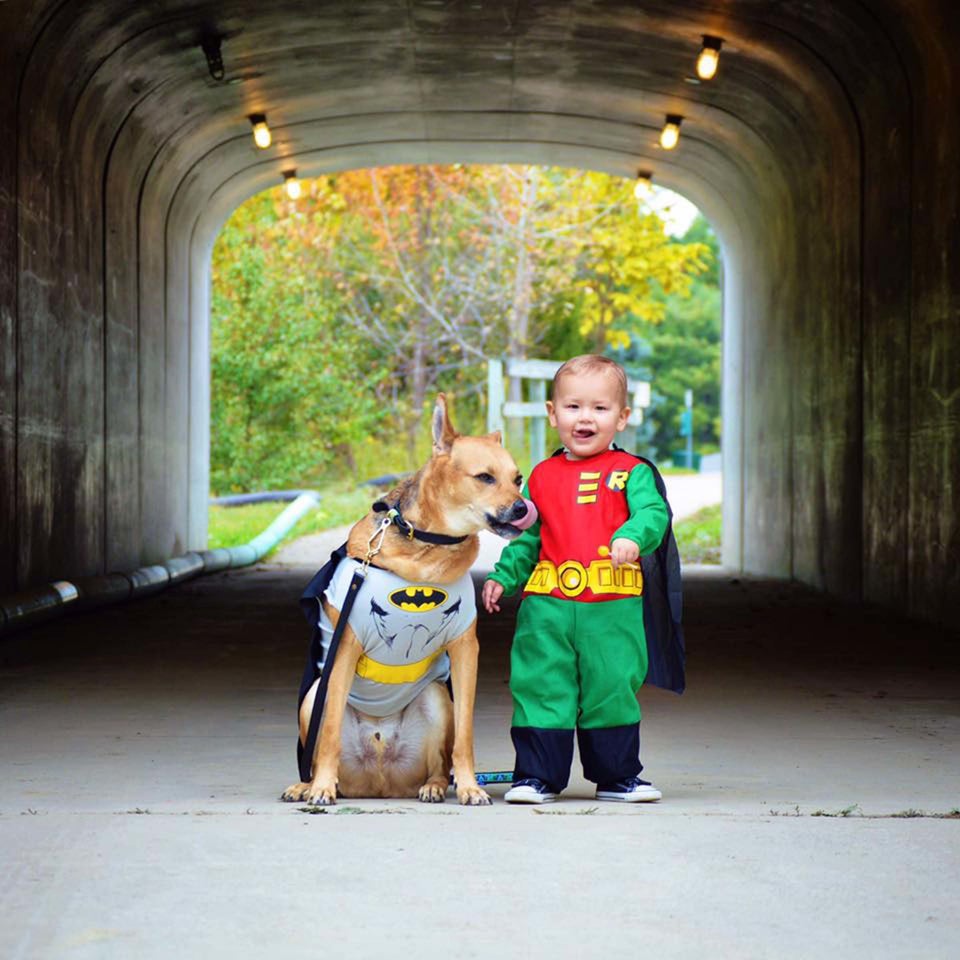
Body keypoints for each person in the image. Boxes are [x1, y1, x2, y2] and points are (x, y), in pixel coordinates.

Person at [482, 354, 669, 803]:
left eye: (600, 408)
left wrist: (632, 536)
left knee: (611, 687)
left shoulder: (633, 473)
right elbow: (529, 539)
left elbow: (653, 513)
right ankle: (536, 777)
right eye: (573, 407)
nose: (585, 418)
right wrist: (504, 576)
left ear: (621, 418)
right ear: (553, 413)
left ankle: (617, 777)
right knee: (541, 685)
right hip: (546, 609)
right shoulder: (542, 476)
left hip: (611, 609)